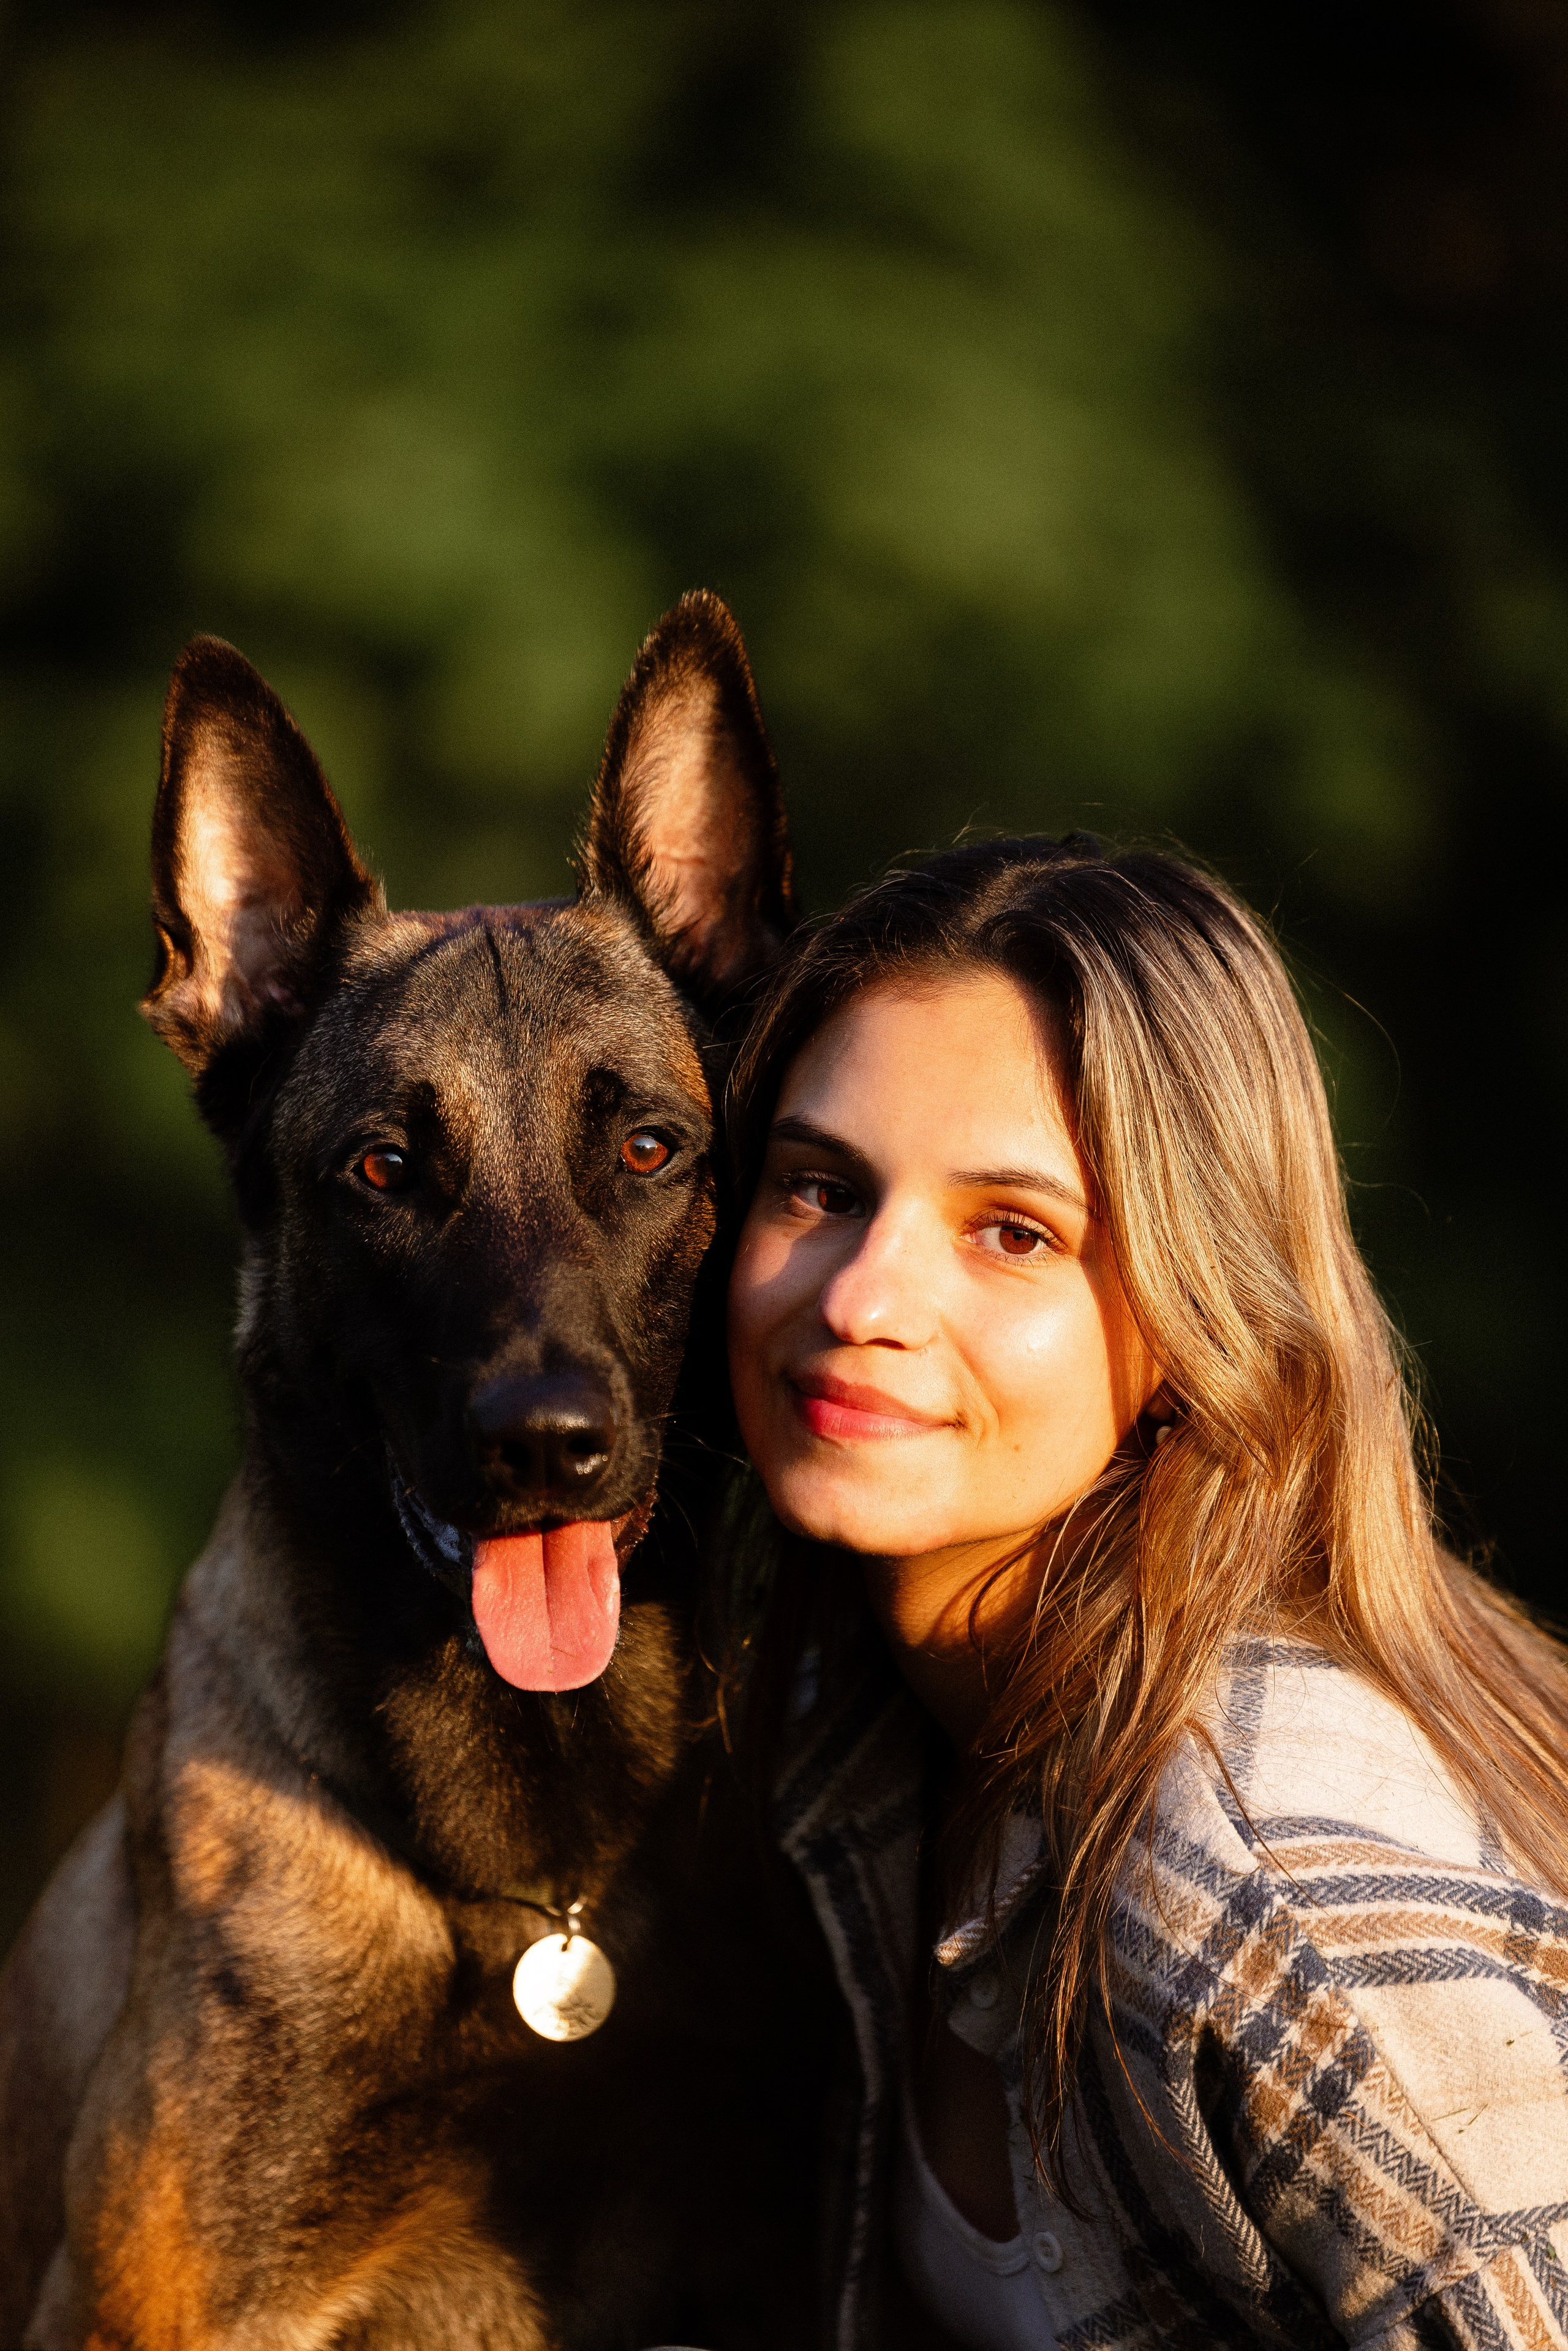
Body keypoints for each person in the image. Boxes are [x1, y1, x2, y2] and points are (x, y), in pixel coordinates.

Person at [720, 834, 1568, 2351]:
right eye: (818, 1187)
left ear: (1194, 1311)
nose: (857, 1298)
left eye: (1013, 1230)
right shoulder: (843, 1727)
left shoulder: (1257, 1860)